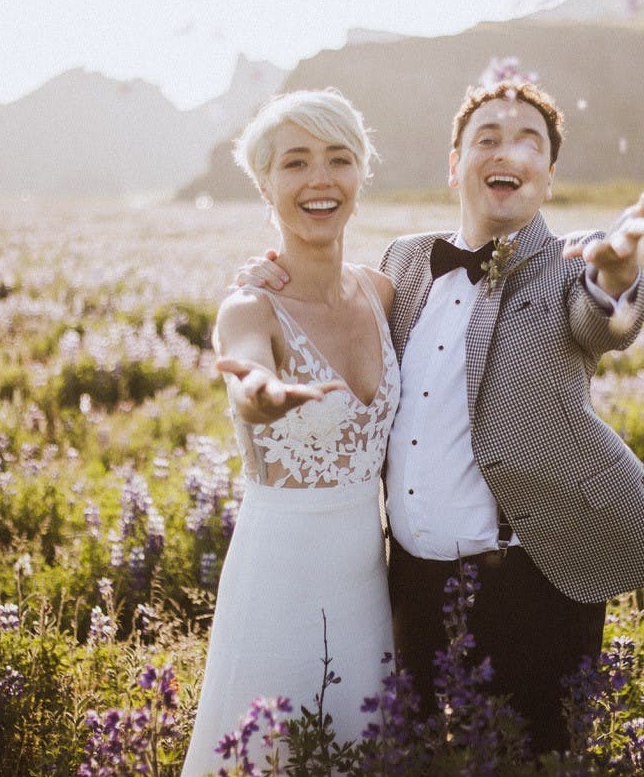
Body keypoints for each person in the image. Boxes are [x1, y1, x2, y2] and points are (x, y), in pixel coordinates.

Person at [240, 79, 644, 755]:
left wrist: (617, 280)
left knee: (535, 755)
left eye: (525, 140)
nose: (504, 150)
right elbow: (333, 300)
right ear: (454, 165)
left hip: (532, 580)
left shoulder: (574, 265)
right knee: (409, 753)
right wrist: (270, 274)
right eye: (486, 138)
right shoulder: (405, 261)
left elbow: (607, 320)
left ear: (548, 174)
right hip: (407, 583)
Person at [180, 89, 398, 775]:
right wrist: (260, 391)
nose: (320, 179)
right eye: (296, 162)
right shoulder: (252, 304)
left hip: (367, 584)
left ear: (360, 176)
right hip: (280, 579)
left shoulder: (382, 290)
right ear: (266, 183)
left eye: (339, 159)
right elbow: (244, 367)